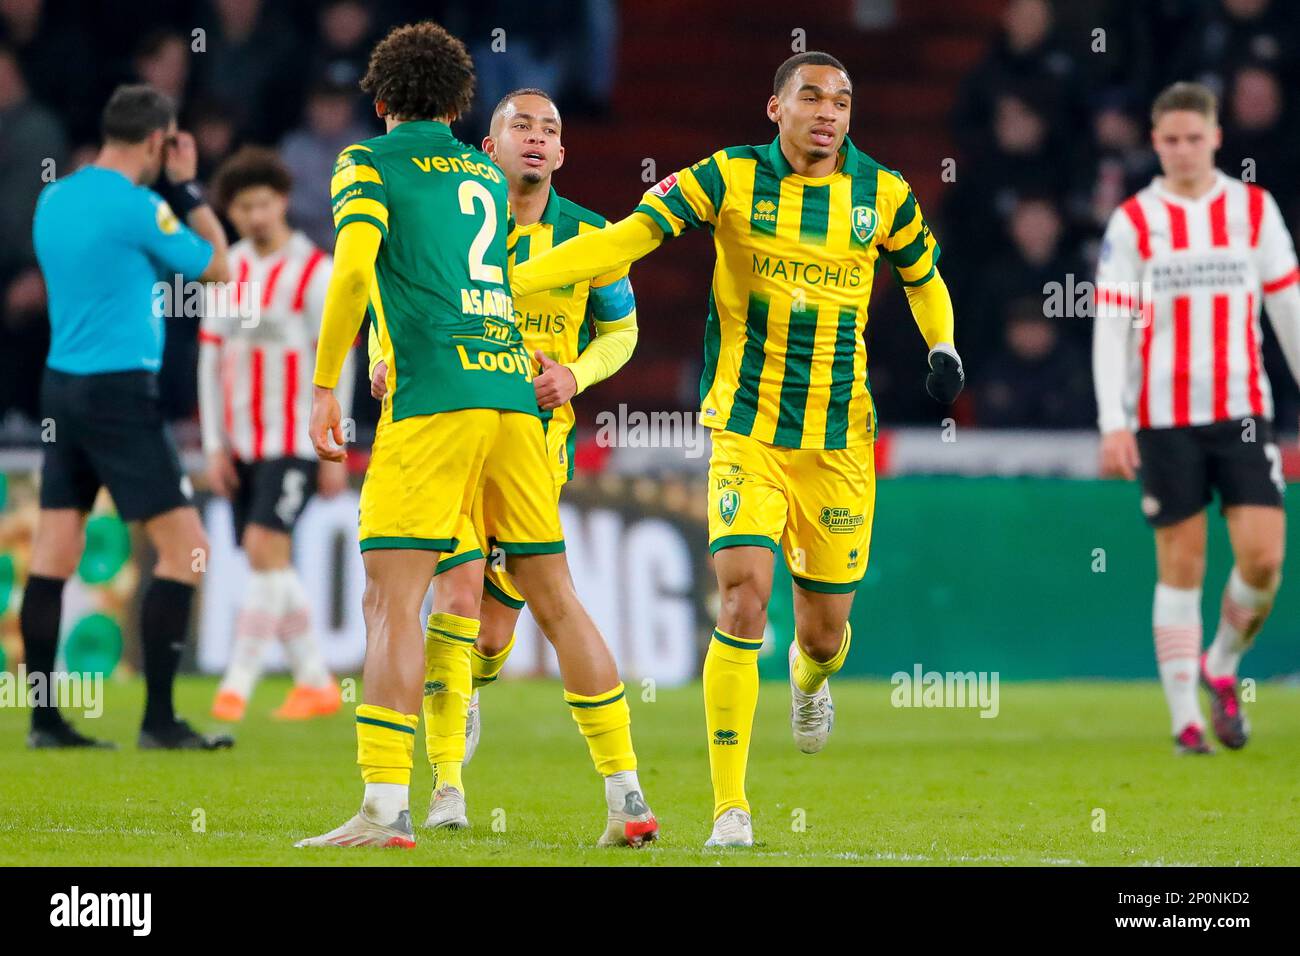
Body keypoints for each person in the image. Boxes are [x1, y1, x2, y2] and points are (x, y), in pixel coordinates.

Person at [511, 51, 964, 847]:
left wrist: (943, 345)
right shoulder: (725, 178)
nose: (829, 112)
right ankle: (731, 809)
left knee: (822, 632)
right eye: (812, 97)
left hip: (837, 441)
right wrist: (508, 285)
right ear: (774, 108)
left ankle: (810, 678)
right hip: (745, 429)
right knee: (744, 596)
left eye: (843, 102)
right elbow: (625, 241)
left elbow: (923, 275)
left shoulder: (882, 194)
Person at [295, 22, 656, 850]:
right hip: (513, 400)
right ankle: (627, 795)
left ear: (380, 101)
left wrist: (328, 384)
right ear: (465, 108)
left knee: (392, 600)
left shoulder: (367, 163)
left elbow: (356, 270)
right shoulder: (481, 178)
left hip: (436, 402)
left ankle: (385, 809)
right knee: (556, 598)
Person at [368, 87, 640, 824]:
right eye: (520, 125)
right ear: (487, 149)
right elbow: (389, 300)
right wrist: (381, 359)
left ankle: (470, 690)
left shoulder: (588, 234)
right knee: (454, 595)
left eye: (550, 129)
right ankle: (448, 788)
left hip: (533, 451)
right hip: (451, 433)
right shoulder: (448, 222)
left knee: (493, 632)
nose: (537, 138)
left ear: (560, 154)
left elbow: (623, 331)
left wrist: (573, 374)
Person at [1094, 81, 1300, 755]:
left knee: (1264, 558)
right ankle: (1186, 719)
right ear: (1155, 143)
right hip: (1163, 416)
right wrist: (1112, 420)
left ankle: (1222, 664)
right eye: (1170, 140)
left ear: (1216, 138)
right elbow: (1111, 325)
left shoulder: (1253, 210)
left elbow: (1287, 310)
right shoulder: (1133, 220)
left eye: (1194, 138)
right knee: (1180, 566)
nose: (1182, 150)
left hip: (1242, 410)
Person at [26, 84, 232, 749]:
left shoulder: (53, 198)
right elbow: (219, 268)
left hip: (60, 389)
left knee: (53, 555)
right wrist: (189, 189)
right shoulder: (144, 207)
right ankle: (161, 721)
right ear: (156, 142)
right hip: (119, 393)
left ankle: (44, 722)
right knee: (188, 549)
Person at [201, 145, 350, 724]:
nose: (254, 216)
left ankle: (235, 687)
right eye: (242, 208)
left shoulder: (317, 271)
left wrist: (337, 445)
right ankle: (313, 679)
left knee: (265, 548)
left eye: (262, 204)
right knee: (268, 560)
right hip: (242, 441)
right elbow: (210, 360)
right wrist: (214, 443)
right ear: (231, 213)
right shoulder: (229, 269)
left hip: (295, 438)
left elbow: (340, 362)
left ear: (282, 202)